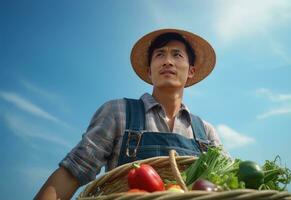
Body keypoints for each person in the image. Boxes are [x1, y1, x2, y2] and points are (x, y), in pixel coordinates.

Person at [34, 28, 223, 200]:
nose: (168, 61)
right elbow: (74, 172)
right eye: (159, 54)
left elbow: (224, 184)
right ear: (149, 71)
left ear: (191, 71)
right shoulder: (118, 112)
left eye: (177, 54)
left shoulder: (206, 133)